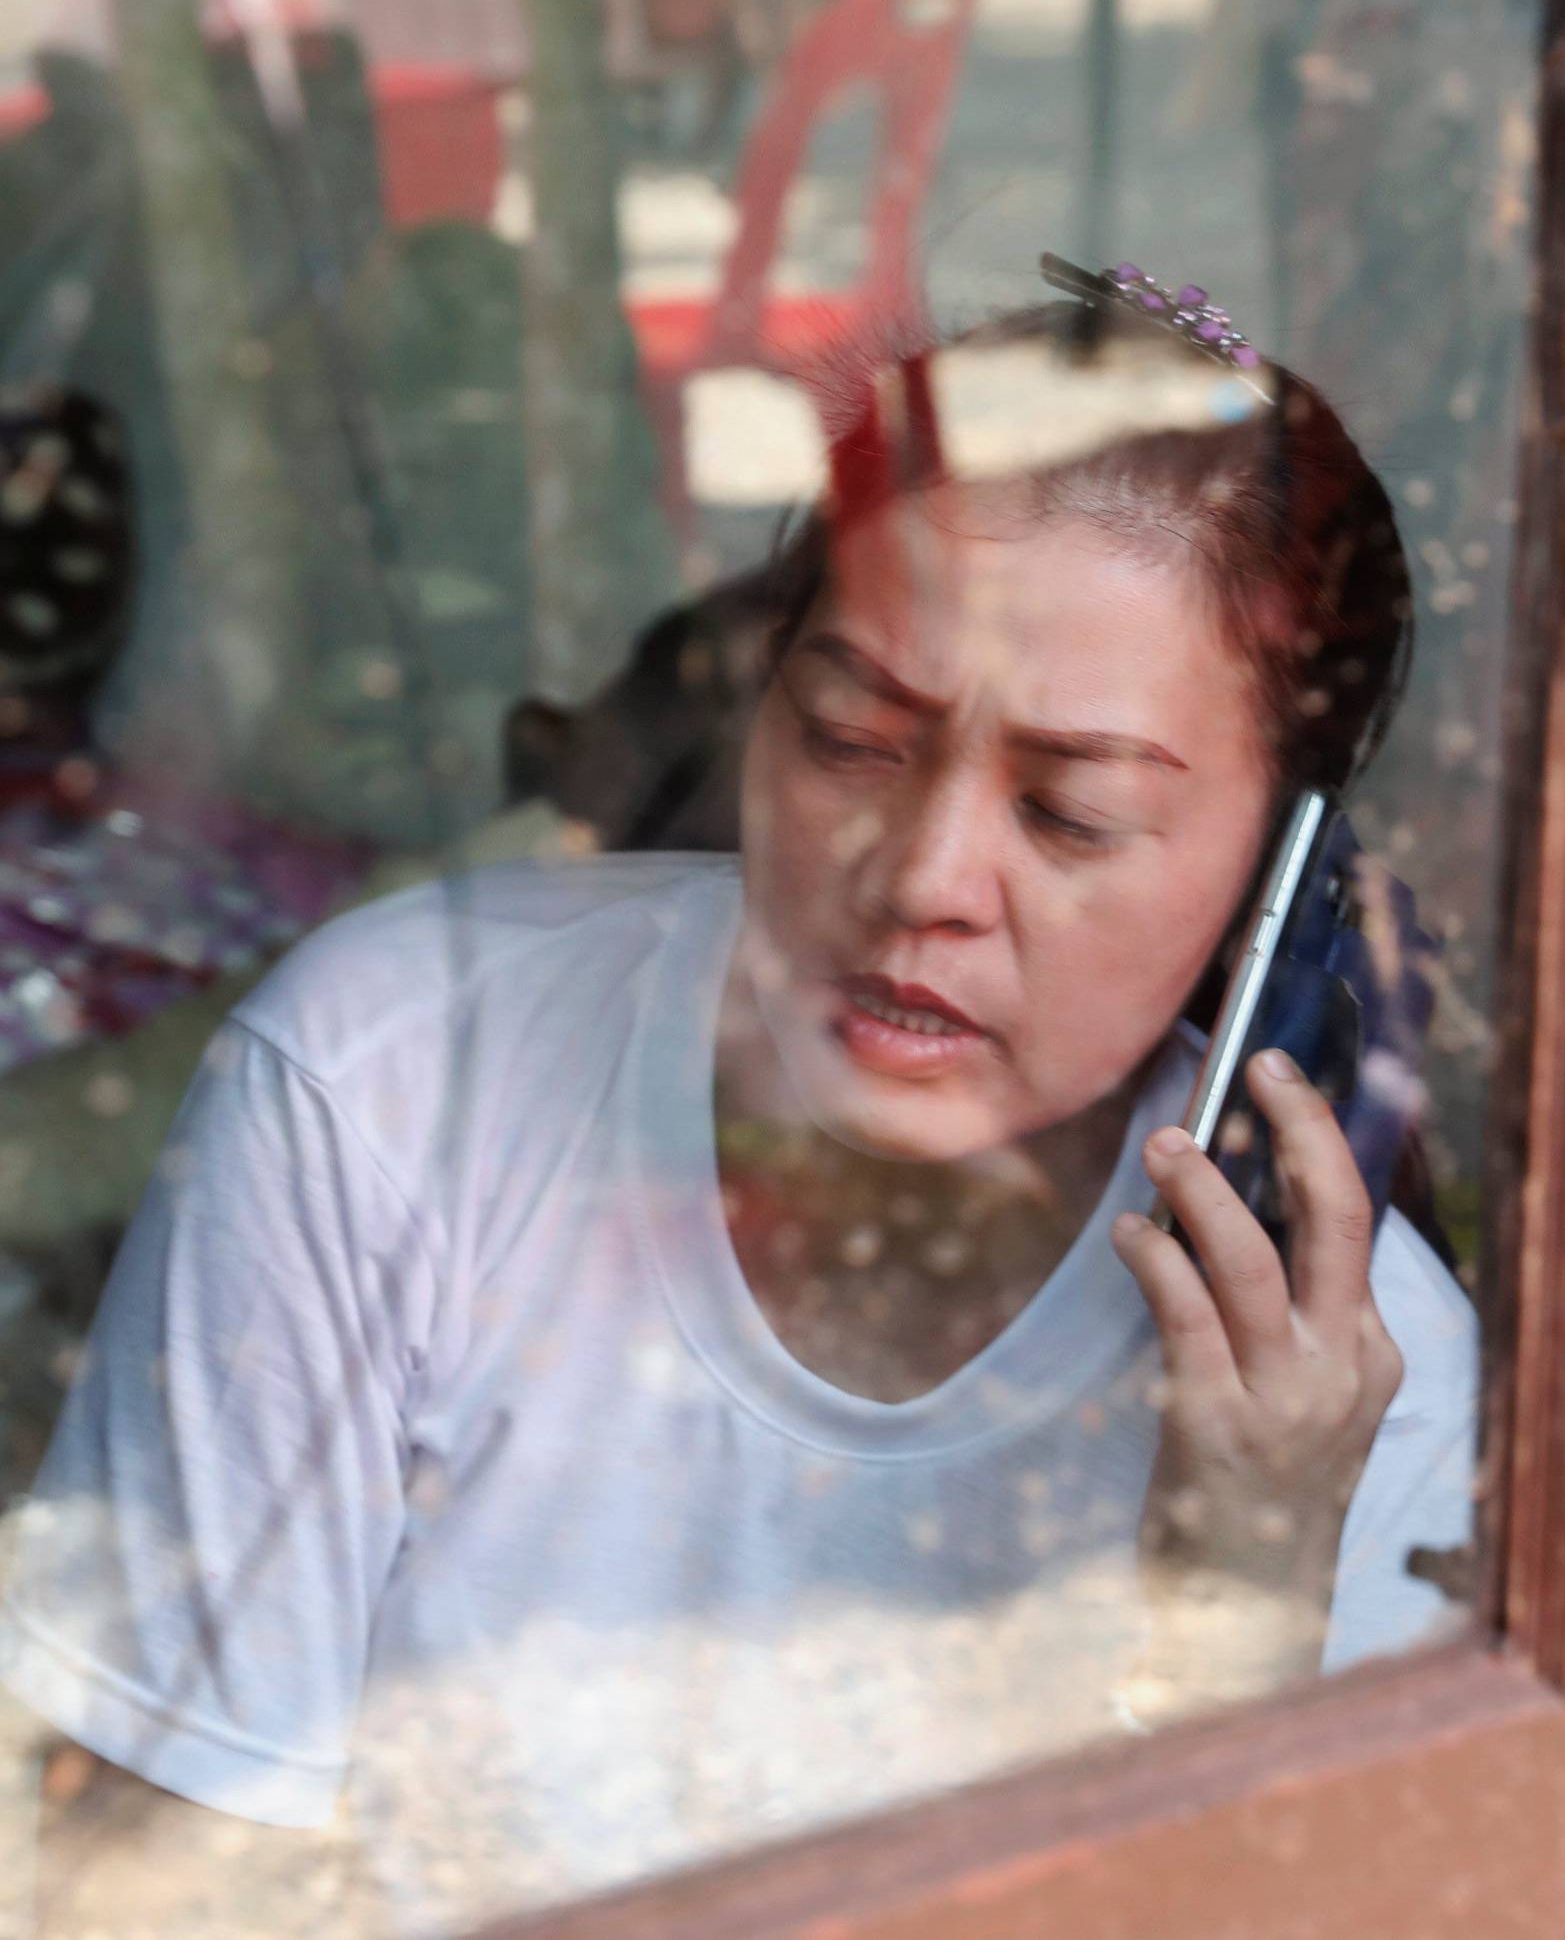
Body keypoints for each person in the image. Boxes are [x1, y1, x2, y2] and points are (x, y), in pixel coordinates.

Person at [0, 271, 1479, 1935]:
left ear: (1282, 881)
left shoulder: (1346, 1386)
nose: (921, 878)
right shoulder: (394, 1080)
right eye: (853, 735)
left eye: (1070, 816)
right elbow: (151, 1888)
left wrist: (1240, 1595)